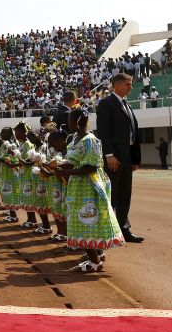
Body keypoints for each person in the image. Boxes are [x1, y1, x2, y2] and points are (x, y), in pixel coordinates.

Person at [55, 108, 125, 272]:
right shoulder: (74, 140)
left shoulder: (90, 140)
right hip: (77, 186)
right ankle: (95, 257)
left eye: (71, 120)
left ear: (78, 121)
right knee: (80, 222)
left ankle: (95, 262)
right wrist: (57, 166)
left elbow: (91, 167)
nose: (68, 124)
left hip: (89, 187)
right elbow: (72, 161)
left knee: (86, 221)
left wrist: (67, 172)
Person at [95, 73, 143, 243]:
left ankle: (124, 229)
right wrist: (109, 155)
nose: (130, 87)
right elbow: (103, 131)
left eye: (130, 84)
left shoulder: (126, 104)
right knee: (112, 195)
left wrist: (135, 159)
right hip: (114, 158)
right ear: (116, 85)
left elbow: (133, 134)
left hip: (127, 157)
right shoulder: (106, 103)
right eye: (127, 84)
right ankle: (106, 230)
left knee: (124, 194)